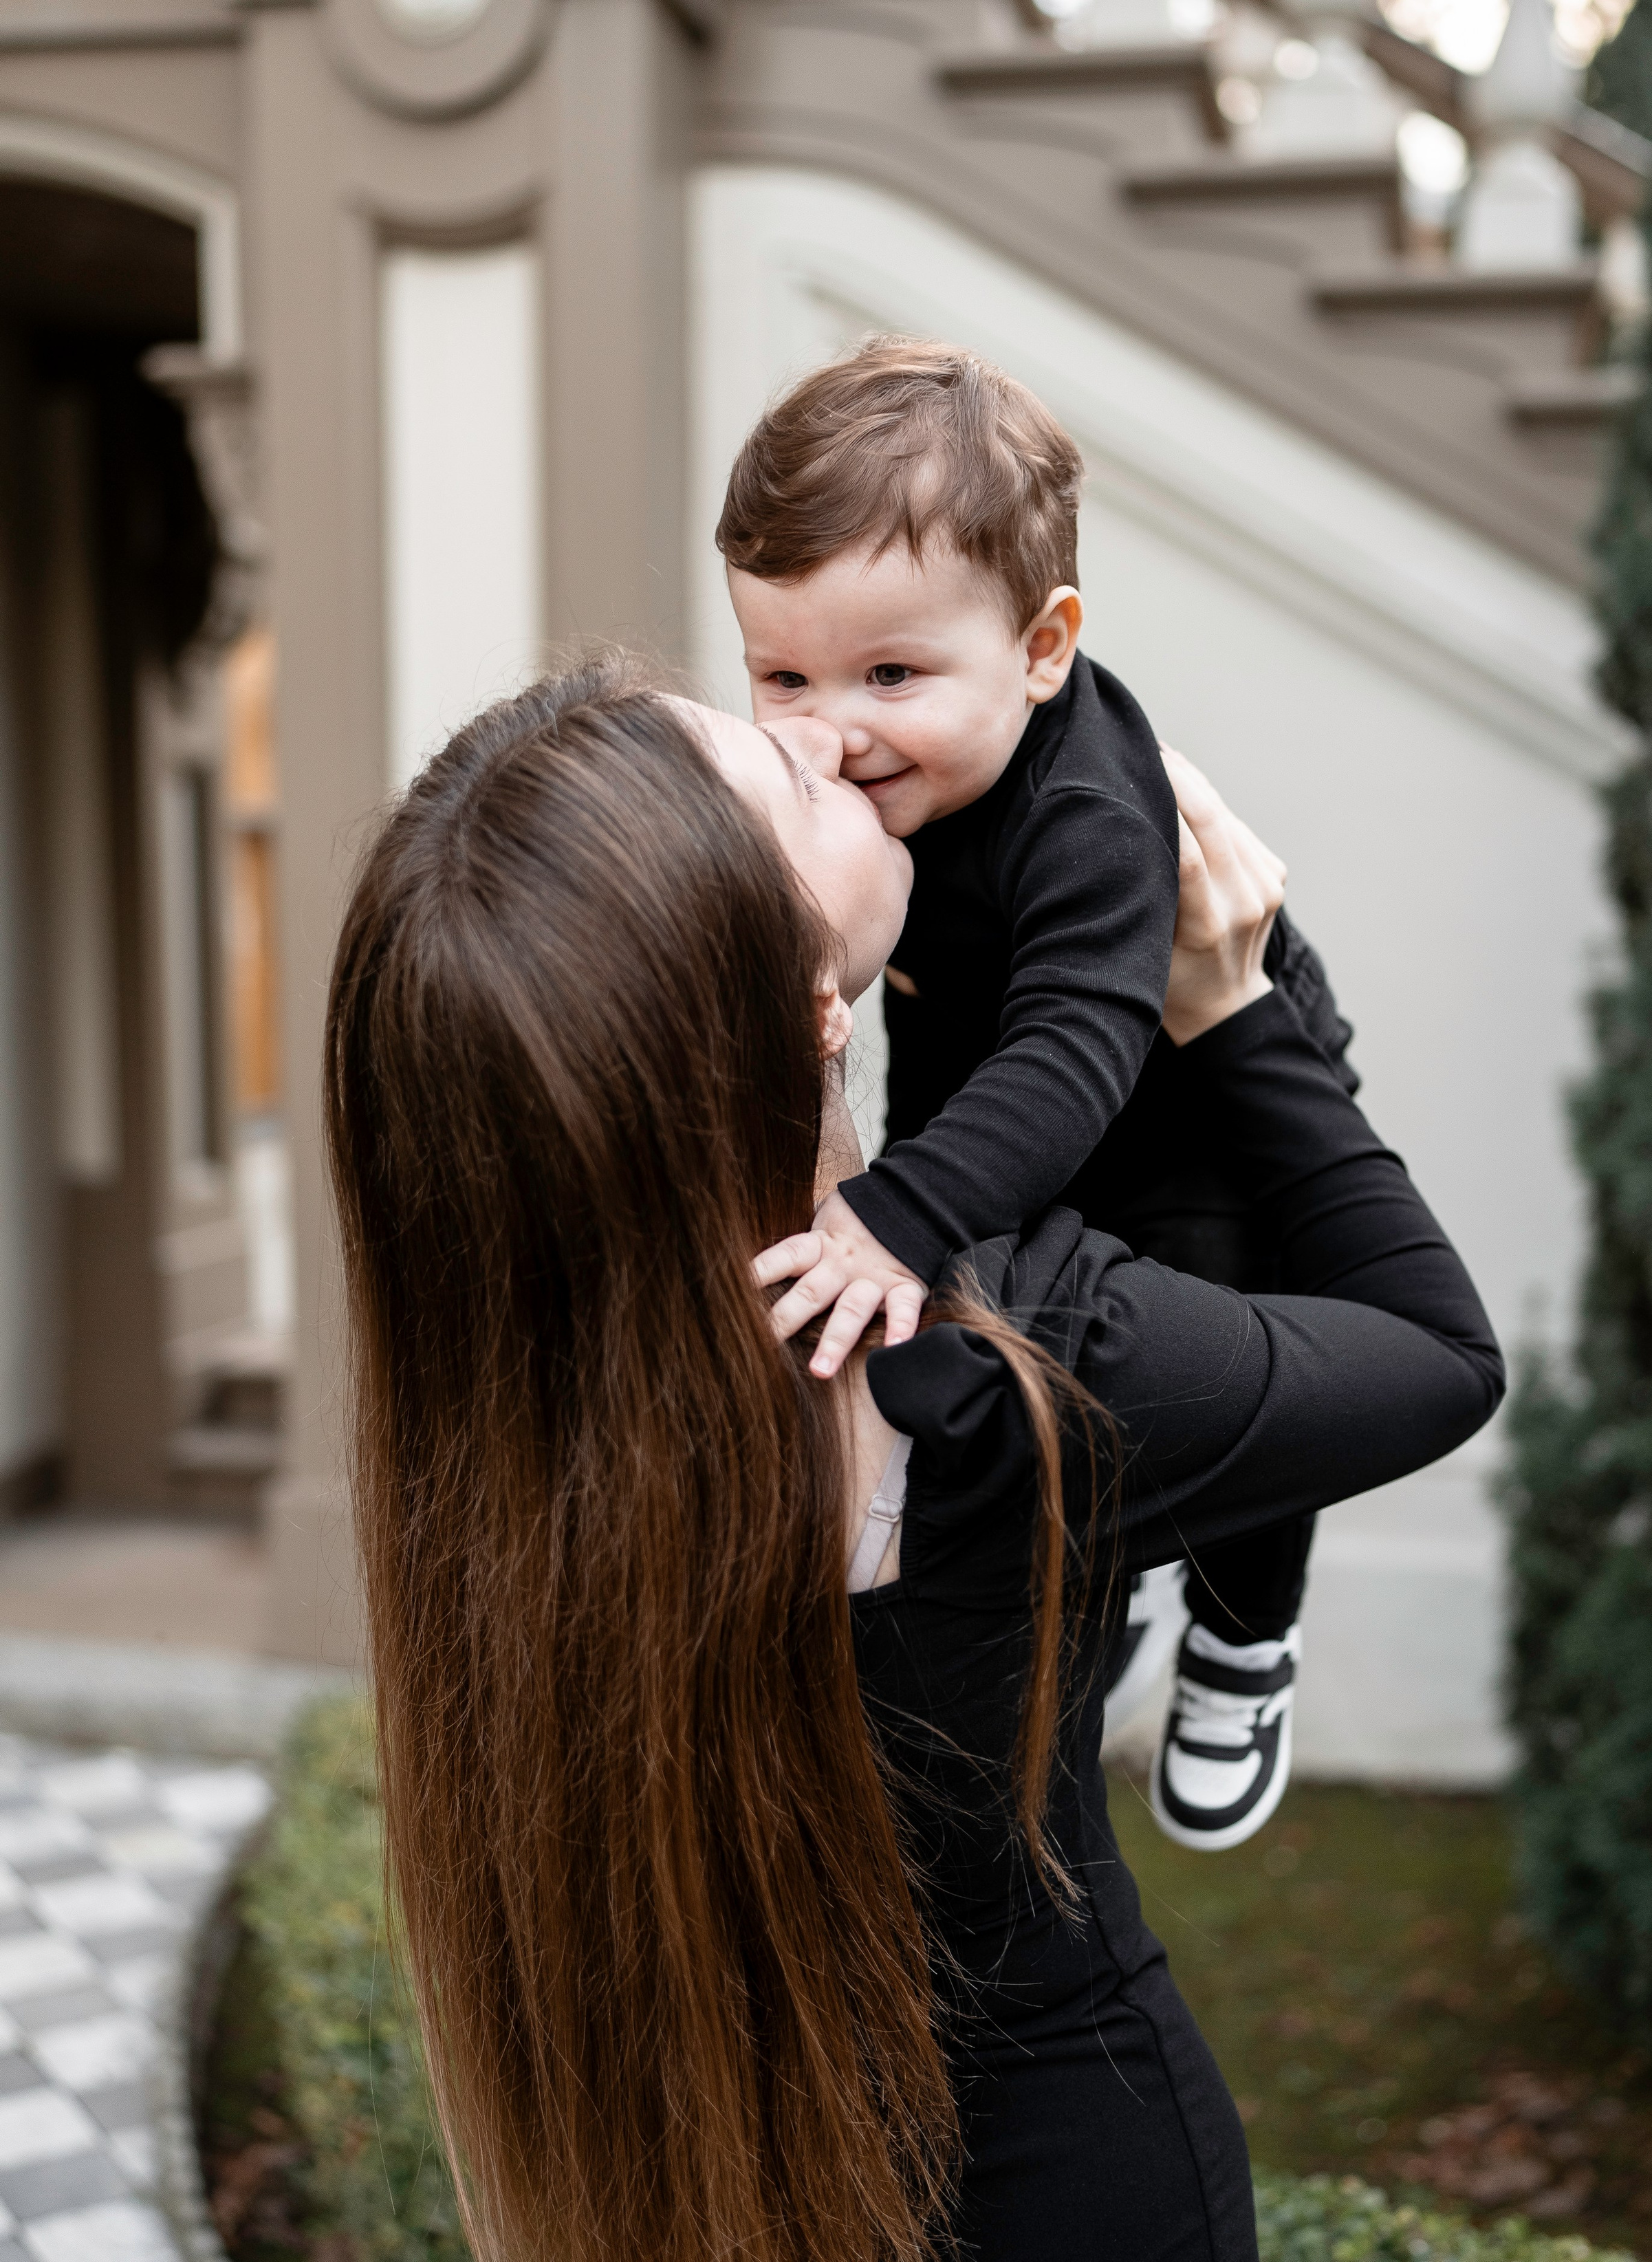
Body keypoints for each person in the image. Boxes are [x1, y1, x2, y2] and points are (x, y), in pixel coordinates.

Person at [324, 660, 1503, 2262]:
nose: (829, 733)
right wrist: (1238, 1011)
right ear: (814, 1006)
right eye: (791, 771)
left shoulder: (491, 1446)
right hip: (1083, 2196)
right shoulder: (1024, 1362)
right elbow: (1434, 1352)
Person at [716, 336, 1353, 1849]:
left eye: (888, 674)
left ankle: (1245, 1640)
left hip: (1207, 1108)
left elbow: (1074, 1040)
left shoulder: (1082, 809)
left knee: (1230, 1357)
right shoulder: (887, 787)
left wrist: (895, 1209)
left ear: (1043, 647)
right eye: (780, 674)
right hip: (1023, 1105)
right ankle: (1107, 1576)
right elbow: (939, 1051)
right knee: (1019, 1344)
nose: (831, 727)